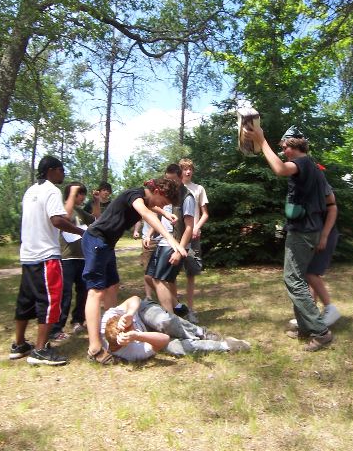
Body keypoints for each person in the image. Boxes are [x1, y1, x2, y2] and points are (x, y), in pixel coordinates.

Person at [243, 123, 336, 352]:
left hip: (303, 231)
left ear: (294, 145)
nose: (283, 151)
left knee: (293, 280)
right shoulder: (314, 167)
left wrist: (262, 140)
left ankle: (320, 332)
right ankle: (305, 327)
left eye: (285, 147)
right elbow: (329, 201)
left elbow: (280, 169)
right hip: (310, 230)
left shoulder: (302, 162)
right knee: (298, 279)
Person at [82, 178, 188, 364]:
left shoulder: (145, 199)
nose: (162, 205)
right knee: (96, 292)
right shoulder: (134, 194)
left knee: (112, 286)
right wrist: (171, 240)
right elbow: (146, 212)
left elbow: (152, 207)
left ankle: (111, 332)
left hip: (107, 244)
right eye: (163, 202)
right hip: (95, 239)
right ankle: (95, 348)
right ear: (157, 191)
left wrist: (164, 212)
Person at [9, 156, 85, 366]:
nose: (63, 173)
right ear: (51, 170)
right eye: (61, 169)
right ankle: (40, 350)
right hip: (46, 256)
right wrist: (81, 232)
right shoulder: (52, 190)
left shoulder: (31, 191)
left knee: (25, 300)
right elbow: (57, 220)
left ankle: (19, 344)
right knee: (50, 302)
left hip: (28, 255)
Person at [100, 296, 250, 362]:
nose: (133, 325)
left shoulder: (108, 318)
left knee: (163, 321)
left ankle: (201, 332)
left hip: (144, 311)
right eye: (131, 328)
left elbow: (135, 299)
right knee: (177, 348)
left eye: (130, 325)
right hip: (150, 337)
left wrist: (130, 314)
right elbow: (164, 340)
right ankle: (226, 346)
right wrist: (138, 336)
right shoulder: (129, 352)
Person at [49, 182, 98, 342]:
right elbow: (65, 217)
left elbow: (96, 219)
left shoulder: (80, 211)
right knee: (65, 294)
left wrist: (96, 201)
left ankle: (78, 320)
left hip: (82, 257)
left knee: (83, 291)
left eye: (83, 193)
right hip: (67, 258)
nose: (82, 197)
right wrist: (71, 193)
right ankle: (57, 328)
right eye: (79, 193)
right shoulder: (62, 208)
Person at [146, 164, 196, 317]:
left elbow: (189, 227)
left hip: (176, 244)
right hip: (162, 241)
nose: (170, 183)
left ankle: (170, 318)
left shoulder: (187, 197)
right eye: (167, 179)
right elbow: (155, 212)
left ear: (181, 178)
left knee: (160, 280)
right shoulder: (165, 193)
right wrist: (149, 234)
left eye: (173, 180)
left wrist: (179, 251)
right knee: (149, 277)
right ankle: (179, 308)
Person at [179, 158, 209, 324]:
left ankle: (190, 310)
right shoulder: (175, 189)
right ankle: (174, 308)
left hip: (194, 237)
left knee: (191, 273)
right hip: (176, 237)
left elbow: (205, 214)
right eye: (185, 169)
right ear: (180, 171)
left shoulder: (199, 189)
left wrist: (196, 227)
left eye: (190, 169)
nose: (188, 172)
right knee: (170, 274)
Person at [133, 219, 160, 299]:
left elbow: (156, 221)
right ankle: (148, 297)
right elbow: (139, 220)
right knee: (147, 269)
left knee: (164, 269)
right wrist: (136, 231)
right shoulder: (144, 210)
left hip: (163, 240)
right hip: (148, 241)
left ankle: (170, 294)